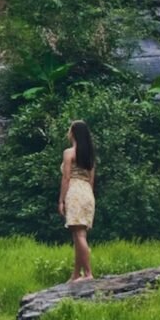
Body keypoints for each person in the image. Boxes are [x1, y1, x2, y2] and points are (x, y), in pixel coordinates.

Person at [58, 119, 96, 283]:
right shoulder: (89, 156)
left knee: (79, 235)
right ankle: (76, 274)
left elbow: (66, 178)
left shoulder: (69, 153)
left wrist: (61, 200)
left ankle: (88, 274)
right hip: (87, 192)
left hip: (74, 191)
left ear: (73, 132)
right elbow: (91, 180)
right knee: (78, 235)